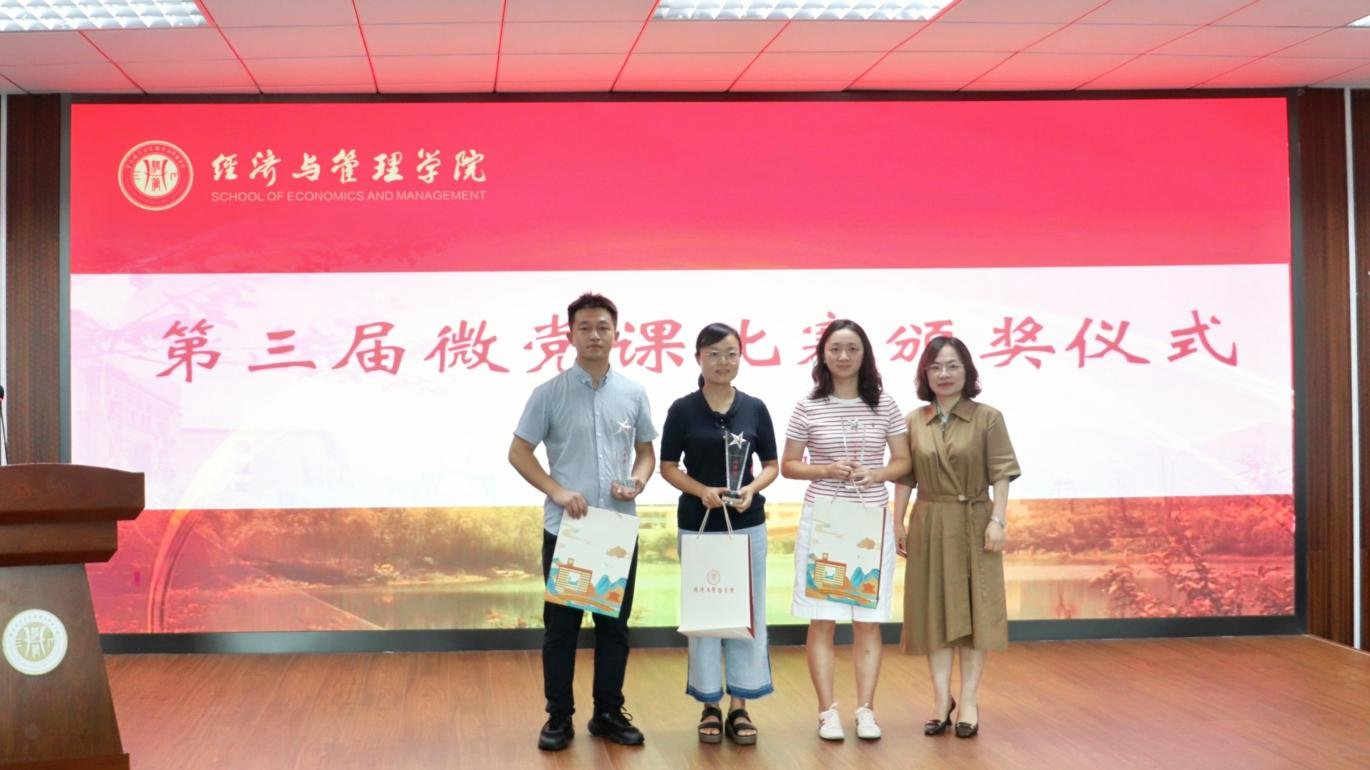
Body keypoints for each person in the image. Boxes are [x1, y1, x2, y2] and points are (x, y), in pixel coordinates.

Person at [508, 292, 658, 752]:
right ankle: (558, 717)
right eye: (585, 327)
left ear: (616, 333)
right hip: (568, 530)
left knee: (614, 628)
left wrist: (637, 481)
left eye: (603, 327)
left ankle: (607, 713)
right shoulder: (548, 393)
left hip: (615, 529)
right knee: (562, 631)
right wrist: (556, 490)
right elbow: (518, 452)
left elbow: (646, 452)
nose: (595, 335)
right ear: (570, 334)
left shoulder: (633, 392)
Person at [780, 319, 911, 741]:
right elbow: (788, 465)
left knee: (867, 622)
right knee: (822, 620)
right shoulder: (808, 405)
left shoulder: (884, 404)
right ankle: (827, 712)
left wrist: (877, 474)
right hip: (825, 522)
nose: (843, 356)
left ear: (864, 355)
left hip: (870, 521)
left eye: (852, 348)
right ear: (823, 354)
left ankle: (866, 710)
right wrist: (826, 469)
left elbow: (904, 461)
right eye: (835, 348)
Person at [893, 336, 1021, 740]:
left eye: (952, 366)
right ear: (924, 374)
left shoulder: (988, 417)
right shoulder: (914, 420)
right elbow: (904, 478)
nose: (943, 374)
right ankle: (939, 701)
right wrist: (897, 522)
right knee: (932, 613)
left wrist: (998, 520)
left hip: (974, 521)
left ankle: (968, 701)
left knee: (976, 614)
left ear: (967, 371)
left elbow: (1001, 474)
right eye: (935, 367)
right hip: (929, 521)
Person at [660, 323, 780, 746]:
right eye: (713, 354)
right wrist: (701, 490)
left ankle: (740, 705)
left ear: (740, 358)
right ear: (698, 358)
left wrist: (752, 489)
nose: (723, 362)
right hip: (699, 525)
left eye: (731, 354)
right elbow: (668, 466)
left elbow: (771, 464)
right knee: (706, 617)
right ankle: (709, 704)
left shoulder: (755, 408)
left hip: (747, 525)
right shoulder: (682, 409)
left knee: (747, 615)